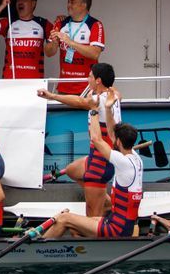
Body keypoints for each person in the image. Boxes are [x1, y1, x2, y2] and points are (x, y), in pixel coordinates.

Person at [37, 62, 121, 218]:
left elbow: (79, 102)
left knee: (92, 217)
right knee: (71, 170)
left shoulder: (100, 101)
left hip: (99, 165)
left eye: (90, 76)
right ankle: (105, 200)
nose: (87, 78)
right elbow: (115, 93)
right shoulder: (112, 94)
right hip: (96, 156)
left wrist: (52, 96)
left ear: (98, 80)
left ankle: (100, 206)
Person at [44, 120, 143, 239]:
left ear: (118, 141)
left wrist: (94, 113)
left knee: (64, 218)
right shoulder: (137, 159)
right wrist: (107, 109)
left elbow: (96, 140)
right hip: (120, 225)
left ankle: (35, 250)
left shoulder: (122, 162)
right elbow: (114, 135)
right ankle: (85, 253)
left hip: (115, 230)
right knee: (75, 227)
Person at [0, 0, 56, 81]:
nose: (20, 1)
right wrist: (3, 5)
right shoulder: (9, 22)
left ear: (33, 3)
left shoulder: (44, 24)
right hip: (10, 79)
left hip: (35, 81)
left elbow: (51, 52)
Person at [51, 0, 106, 94]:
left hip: (88, 88)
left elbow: (95, 54)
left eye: (72, 2)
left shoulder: (95, 24)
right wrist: (54, 43)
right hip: (64, 86)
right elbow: (49, 53)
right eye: (68, 2)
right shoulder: (61, 23)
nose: (68, 5)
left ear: (83, 5)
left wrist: (70, 42)